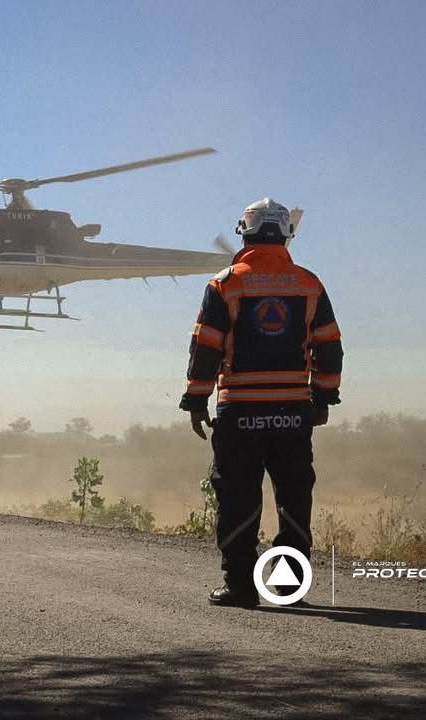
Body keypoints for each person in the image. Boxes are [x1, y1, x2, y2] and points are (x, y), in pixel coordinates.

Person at [179, 198, 343, 608]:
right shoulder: (309, 283)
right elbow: (330, 346)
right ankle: (288, 587)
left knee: (238, 498)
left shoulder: (225, 283)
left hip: (240, 413)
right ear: (287, 233)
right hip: (292, 411)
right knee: (293, 499)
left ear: (244, 232)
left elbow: (206, 347)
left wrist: (197, 401)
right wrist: (323, 397)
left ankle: (240, 586)